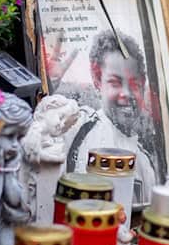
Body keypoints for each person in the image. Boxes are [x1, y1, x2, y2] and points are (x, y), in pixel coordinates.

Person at [64, 29, 158, 205]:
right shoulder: (78, 129)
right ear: (97, 80)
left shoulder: (144, 163)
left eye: (135, 84)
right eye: (115, 83)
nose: (126, 94)